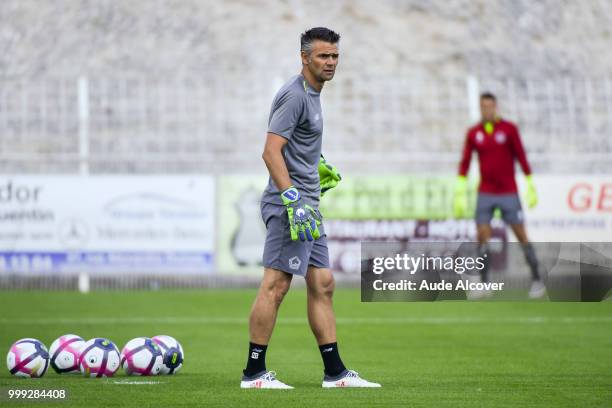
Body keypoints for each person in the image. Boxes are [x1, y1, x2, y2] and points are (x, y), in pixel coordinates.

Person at [239, 27, 381, 389]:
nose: (330, 62)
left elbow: (293, 149)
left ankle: (335, 373)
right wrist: (292, 199)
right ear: (305, 58)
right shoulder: (295, 95)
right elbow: (270, 151)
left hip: (308, 207)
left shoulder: (313, 94)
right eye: (323, 56)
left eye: (334, 56)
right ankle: (253, 373)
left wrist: (317, 165)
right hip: (292, 208)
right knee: (275, 286)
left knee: (323, 282)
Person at [454, 92, 545, 299]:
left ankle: (537, 280)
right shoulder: (474, 132)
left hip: (508, 191)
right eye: (483, 106)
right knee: (482, 236)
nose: (486, 110)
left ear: (495, 107)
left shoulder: (509, 129)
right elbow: (465, 161)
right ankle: (485, 284)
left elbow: (521, 155)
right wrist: (460, 189)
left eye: (489, 106)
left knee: (521, 235)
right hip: (485, 192)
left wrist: (530, 182)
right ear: (480, 108)